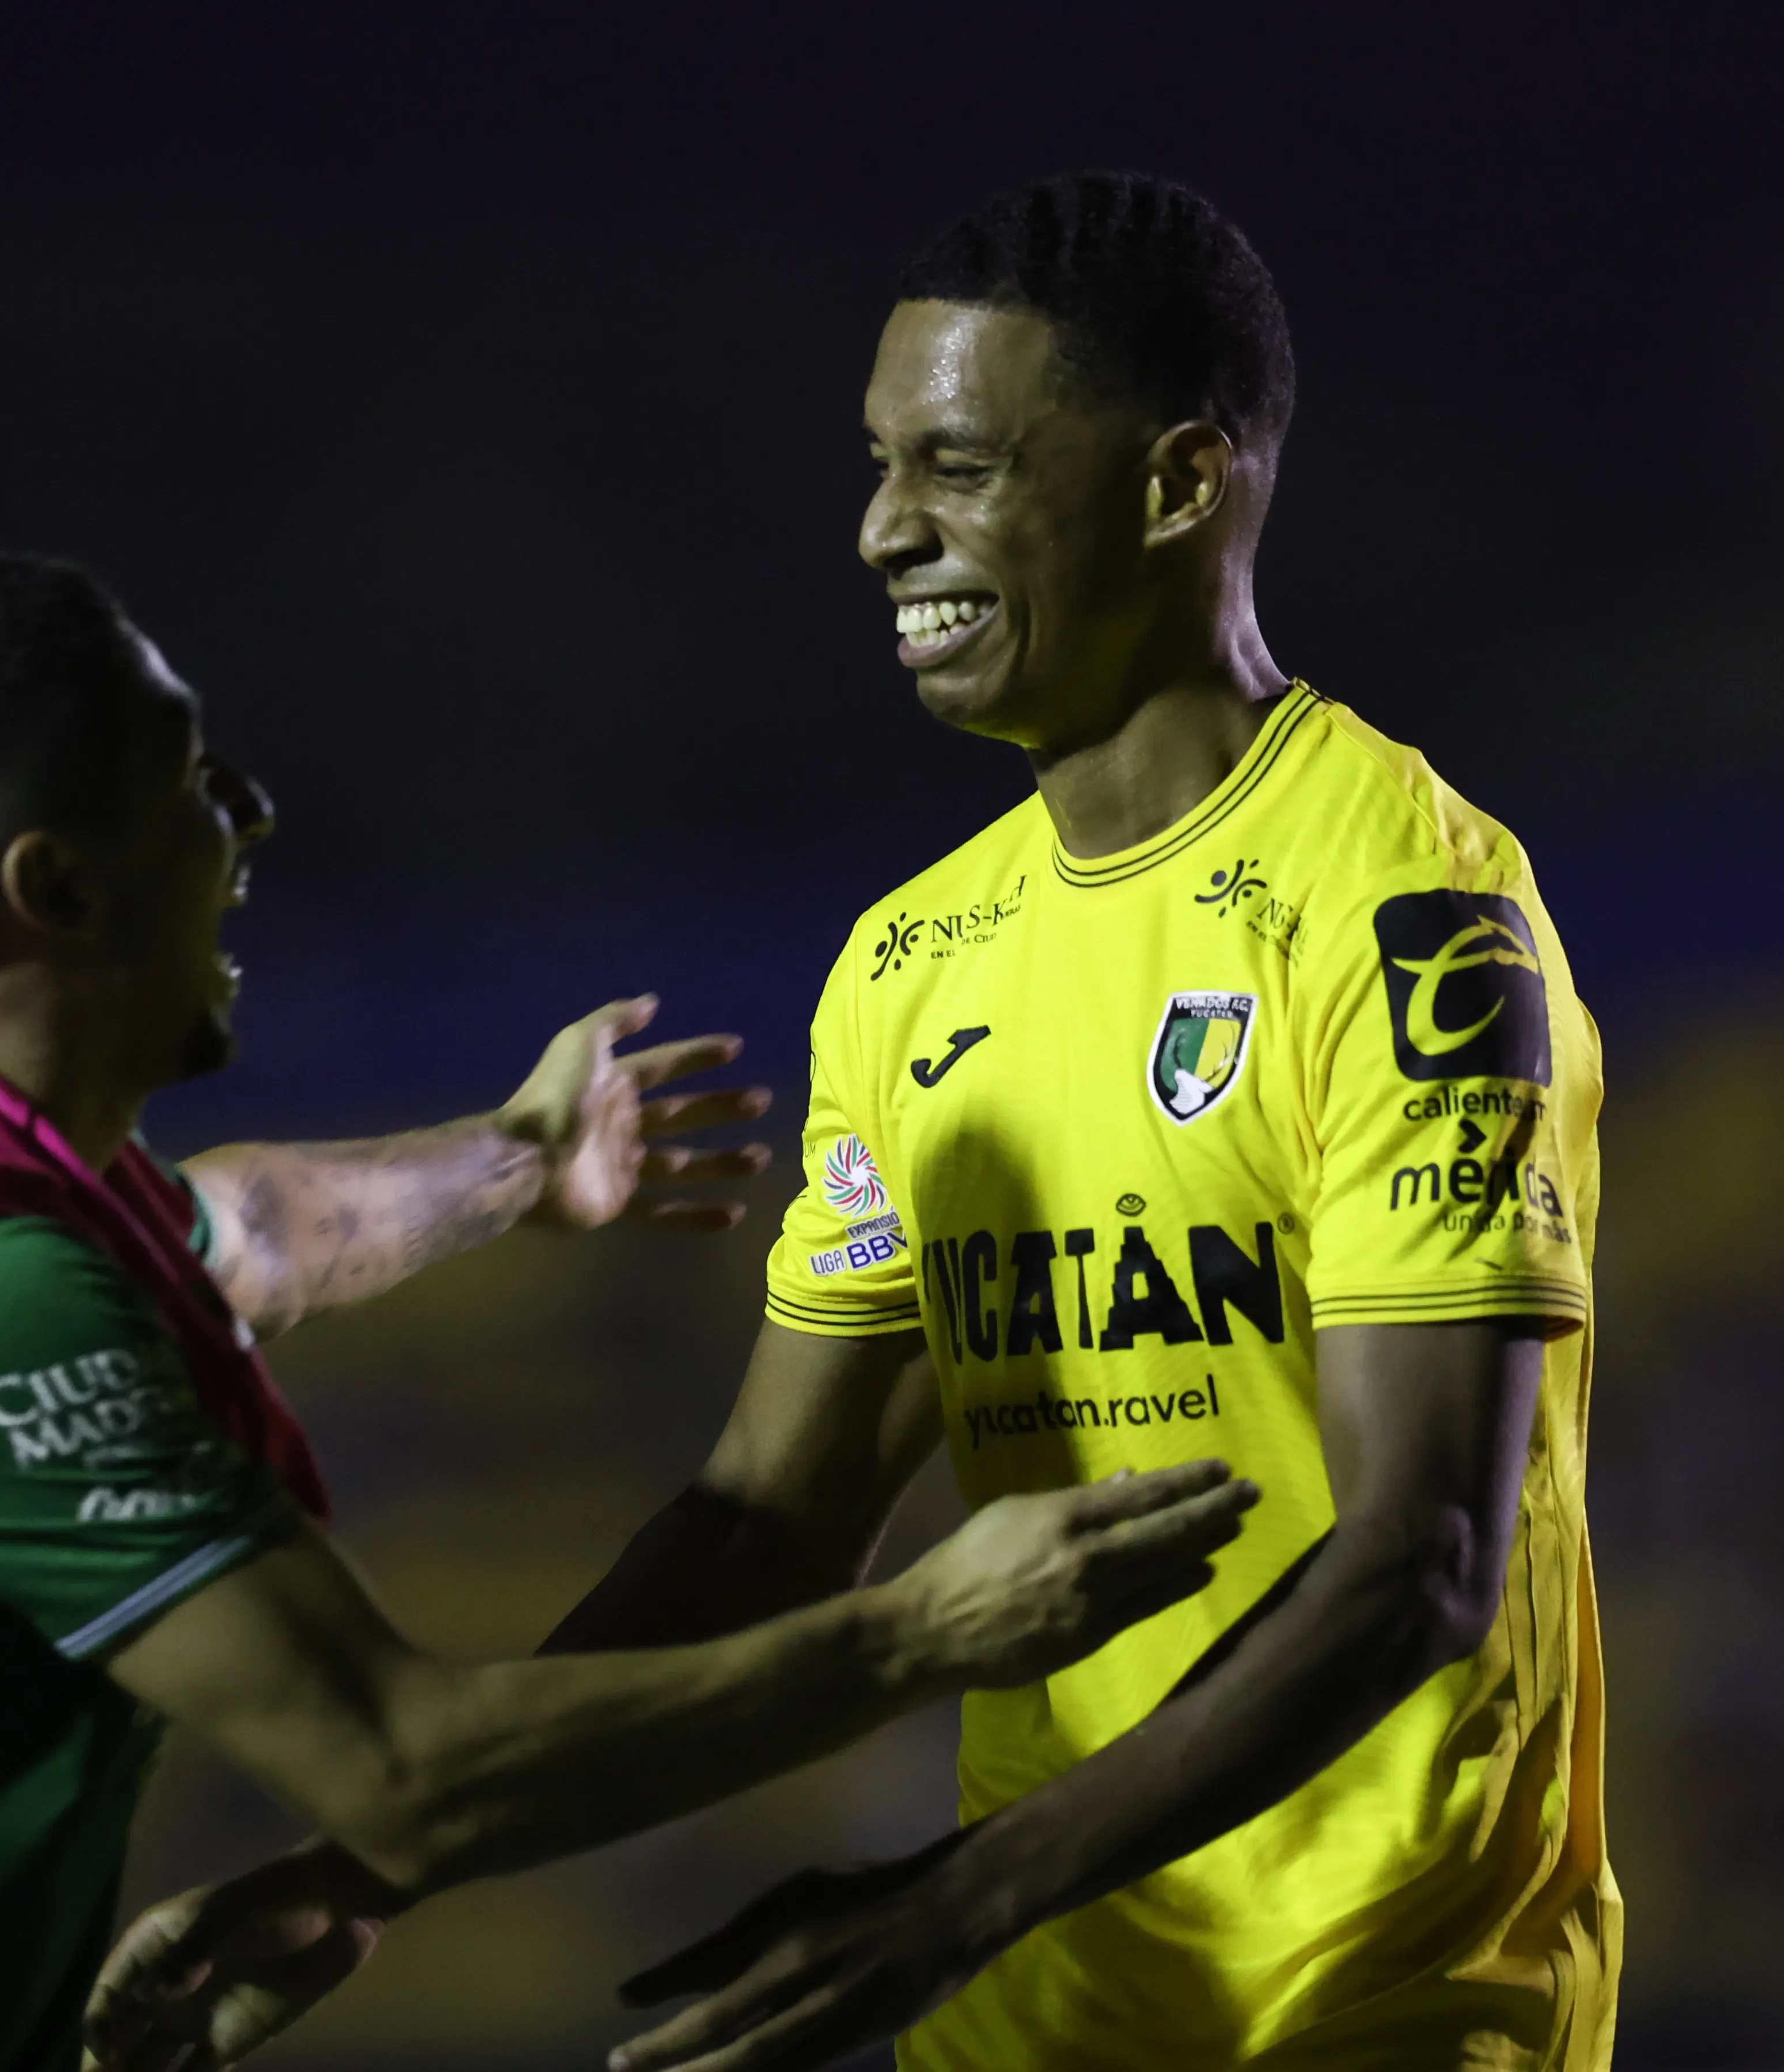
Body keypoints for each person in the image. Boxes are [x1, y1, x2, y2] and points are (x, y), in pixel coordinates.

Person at [93, 172, 1615, 2072]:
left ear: (1178, 484)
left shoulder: (1408, 911)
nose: (887, 527)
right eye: (884, 463)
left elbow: (1424, 1559)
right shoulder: (914, 966)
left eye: (960, 466)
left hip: (1368, 2011)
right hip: (1015, 2012)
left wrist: (958, 1894)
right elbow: (770, 1522)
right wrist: (376, 1865)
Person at [0, 550, 1262, 2071]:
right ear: (54, 888)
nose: (250, 821)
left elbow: (244, 1232)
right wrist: (931, 1635)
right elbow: (410, 1768)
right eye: (196, 786)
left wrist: (517, 1159)